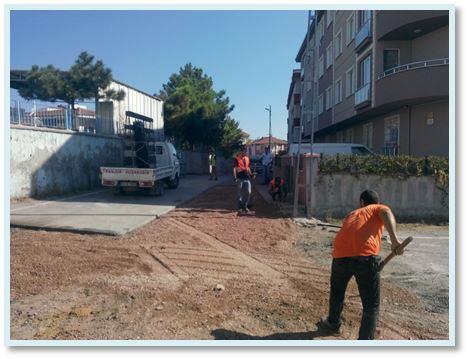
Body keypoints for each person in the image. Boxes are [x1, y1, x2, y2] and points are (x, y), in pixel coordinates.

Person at [317, 190, 404, 340]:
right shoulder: (378, 208)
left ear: (361, 202)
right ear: (376, 202)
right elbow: (386, 213)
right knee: (371, 306)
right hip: (365, 257)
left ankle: (332, 323)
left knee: (337, 292)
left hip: (340, 256)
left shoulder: (352, 213)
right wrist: (395, 240)